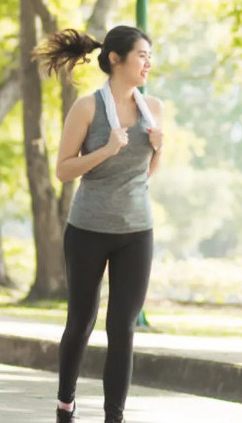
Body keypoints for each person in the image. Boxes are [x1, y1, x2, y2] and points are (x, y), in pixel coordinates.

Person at [32, 26, 164, 423]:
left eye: (149, 55)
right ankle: (65, 404)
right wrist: (106, 149)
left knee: (122, 326)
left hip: (137, 230)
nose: (148, 63)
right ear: (115, 59)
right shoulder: (88, 108)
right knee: (81, 321)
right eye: (141, 55)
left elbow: (147, 173)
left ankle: (114, 417)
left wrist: (160, 148)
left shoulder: (153, 108)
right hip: (88, 229)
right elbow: (63, 170)